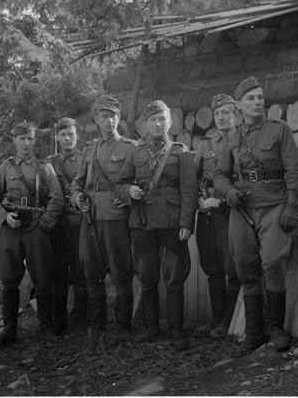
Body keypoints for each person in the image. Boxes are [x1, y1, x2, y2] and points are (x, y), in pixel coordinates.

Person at [214, 77, 298, 357]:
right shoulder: (232, 136)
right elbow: (219, 174)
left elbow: (294, 171)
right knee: (245, 267)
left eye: (259, 97)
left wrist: (291, 206)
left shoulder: (280, 130)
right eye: (250, 98)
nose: (257, 102)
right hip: (242, 210)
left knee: (273, 262)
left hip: (274, 205)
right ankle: (254, 332)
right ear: (239, 105)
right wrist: (228, 191)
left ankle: (276, 328)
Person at [116, 100, 198, 351]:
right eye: (153, 120)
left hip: (172, 224)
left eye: (162, 119)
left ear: (170, 123)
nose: (158, 124)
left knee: (174, 278)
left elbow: (189, 191)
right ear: (145, 124)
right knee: (147, 277)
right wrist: (129, 190)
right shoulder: (136, 153)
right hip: (142, 224)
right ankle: (152, 328)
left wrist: (186, 222)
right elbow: (120, 185)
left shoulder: (180, 153)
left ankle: (175, 330)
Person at [0, 120, 66, 345]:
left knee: (43, 276)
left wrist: (45, 224)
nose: (27, 143)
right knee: (9, 277)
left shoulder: (44, 167)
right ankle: (10, 327)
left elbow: (57, 198)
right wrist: (4, 217)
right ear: (14, 141)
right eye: (22, 139)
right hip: (12, 228)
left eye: (30, 138)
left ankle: (46, 326)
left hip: (36, 229)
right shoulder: (6, 168)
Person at [70, 95, 136, 352]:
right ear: (96, 119)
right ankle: (97, 328)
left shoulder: (130, 148)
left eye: (113, 116)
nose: (108, 121)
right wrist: (77, 199)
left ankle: (123, 329)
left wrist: (128, 196)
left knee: (121, 275)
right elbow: (76, 183)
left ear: (118, 119)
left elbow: (138, 182)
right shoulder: (88, 150)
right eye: (103, 116)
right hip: (90, 220)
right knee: (91, 275)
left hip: (116, 221)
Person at [194, 94, 240, 339]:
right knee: (211, 266)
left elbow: (241, 183)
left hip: (231, 212)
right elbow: (194, 175)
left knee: (231, 267)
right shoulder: (206, 144)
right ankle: (217, 319)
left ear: (236, 114)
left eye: (226, 112)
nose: (222, 117)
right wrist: (198, 201)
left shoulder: (242, 141)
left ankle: (229, 322)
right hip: (207, 213)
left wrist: (220, 201)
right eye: (218, 113)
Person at [47, 117, 87, 332]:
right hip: (58, 225)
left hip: (79, 222)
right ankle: (59, 320)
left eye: (71, 134)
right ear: (57, 137)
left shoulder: (85, 159)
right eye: (63, 135)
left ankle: (81, 316)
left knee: (80, 270)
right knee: (58, 272)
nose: (67, 138)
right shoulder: (50, 162)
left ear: (76, 136)